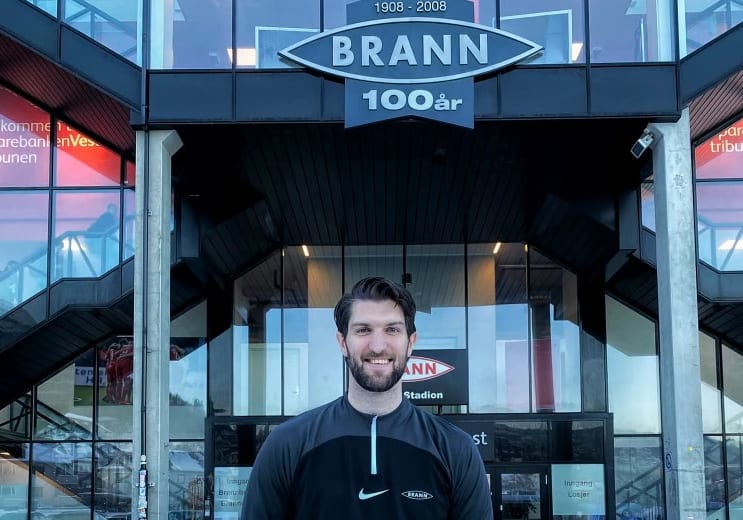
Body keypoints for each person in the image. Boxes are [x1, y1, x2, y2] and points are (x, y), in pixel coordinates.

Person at [241, 276, 493, 519]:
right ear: (342, 342)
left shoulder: (455, 449)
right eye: (363, 330)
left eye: (392, 329)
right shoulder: (287, 444)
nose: (378, 346)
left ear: (410, 342)